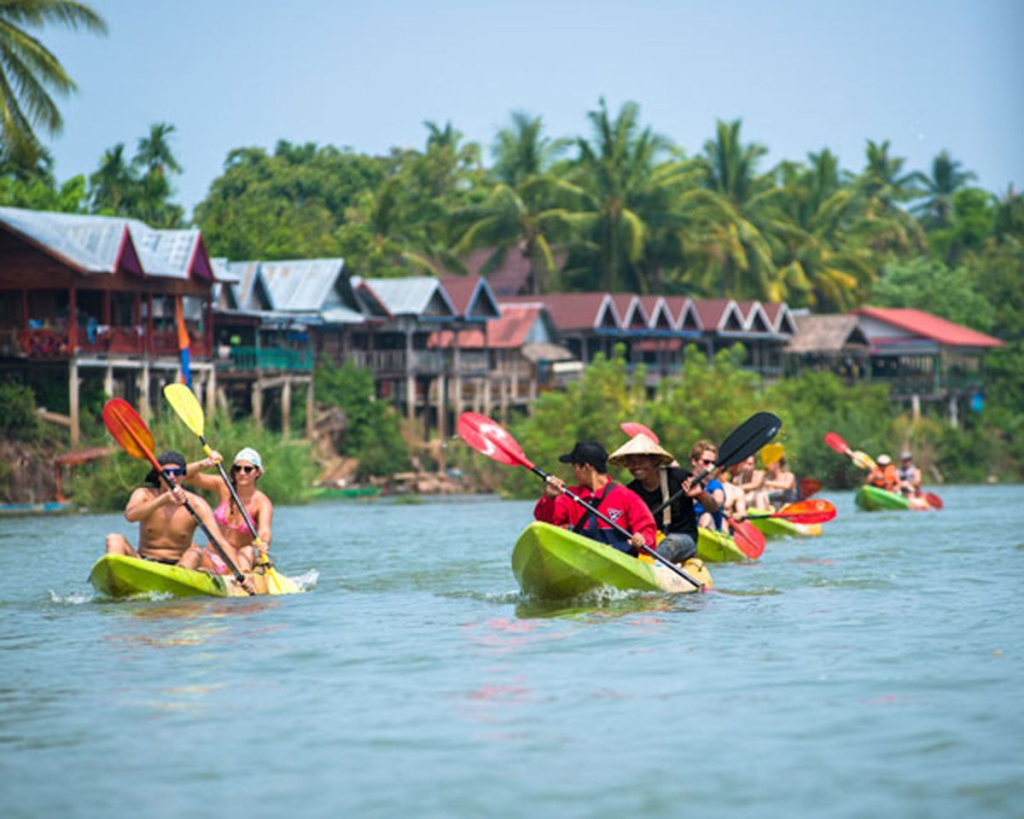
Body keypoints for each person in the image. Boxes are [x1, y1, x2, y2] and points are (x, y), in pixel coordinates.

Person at [104, 451, 255, 593]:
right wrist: (163, 500)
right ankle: (115, 585)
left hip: (178, 566)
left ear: (183, 475)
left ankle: (176, 585)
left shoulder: (196, 504)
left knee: (195, 553)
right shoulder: (144, 494)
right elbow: (130, 516)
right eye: (166, 473)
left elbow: (219, 541)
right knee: (114, 539)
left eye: (176, 473)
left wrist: (241, 574)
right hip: (144, 561)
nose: (172, 476)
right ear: (158, 476)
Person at [608, 433, 720, 565]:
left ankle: (653, 567)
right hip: (650, 541)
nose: (636, 466)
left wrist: (700, 494)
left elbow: (713, 507)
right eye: (632, 462)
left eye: (642, 461)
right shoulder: (630, 491)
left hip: (684, 539)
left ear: (655, 461)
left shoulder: (679, 477)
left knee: (670, 543)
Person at [535, 440, 657, 558]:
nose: (574, 472)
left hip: (618, 561)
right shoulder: (569, 496)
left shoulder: (627, 497)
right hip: (582, 560)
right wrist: (550, 497)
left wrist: (642, 539)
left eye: (575, 466)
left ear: (586, 467)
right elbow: (546, 523)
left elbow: (647, 531)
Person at [185, 447, 272, 576]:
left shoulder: (262, 502)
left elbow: (264, 531)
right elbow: (184, 475)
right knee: (190, 548)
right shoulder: (223, 486)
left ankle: (244, 577)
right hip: (211, 557)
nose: (242, 473)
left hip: (239, 562)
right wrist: (205, 463)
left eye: (247, 469)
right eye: (237, 468)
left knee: (248, 550)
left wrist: (264, 543)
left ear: (257, 473)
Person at [690, 440, 726, 531]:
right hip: (687, 529)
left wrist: (700, 495)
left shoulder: (715, 486)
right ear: (694, 461)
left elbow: (718, 500)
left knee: (706, 516)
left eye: (713, 463)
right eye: (706, 462)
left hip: (710, 528)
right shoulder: (684, 481)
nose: (710, 467)